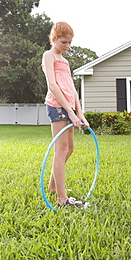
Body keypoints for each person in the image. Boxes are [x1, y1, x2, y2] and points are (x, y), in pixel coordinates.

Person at [42, 22, 90, 208]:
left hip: (69, 107)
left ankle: (53, 187)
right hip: (57, 106)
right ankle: (62, 200)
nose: (67, 46)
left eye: (69, 42)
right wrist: (69, 111)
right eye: (63, 42)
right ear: (53, 39)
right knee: (60, 151)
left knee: (69, 150)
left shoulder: (65, 61)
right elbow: (53, 85)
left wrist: (80, 113)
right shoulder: (49, 56)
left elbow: (72, 89)